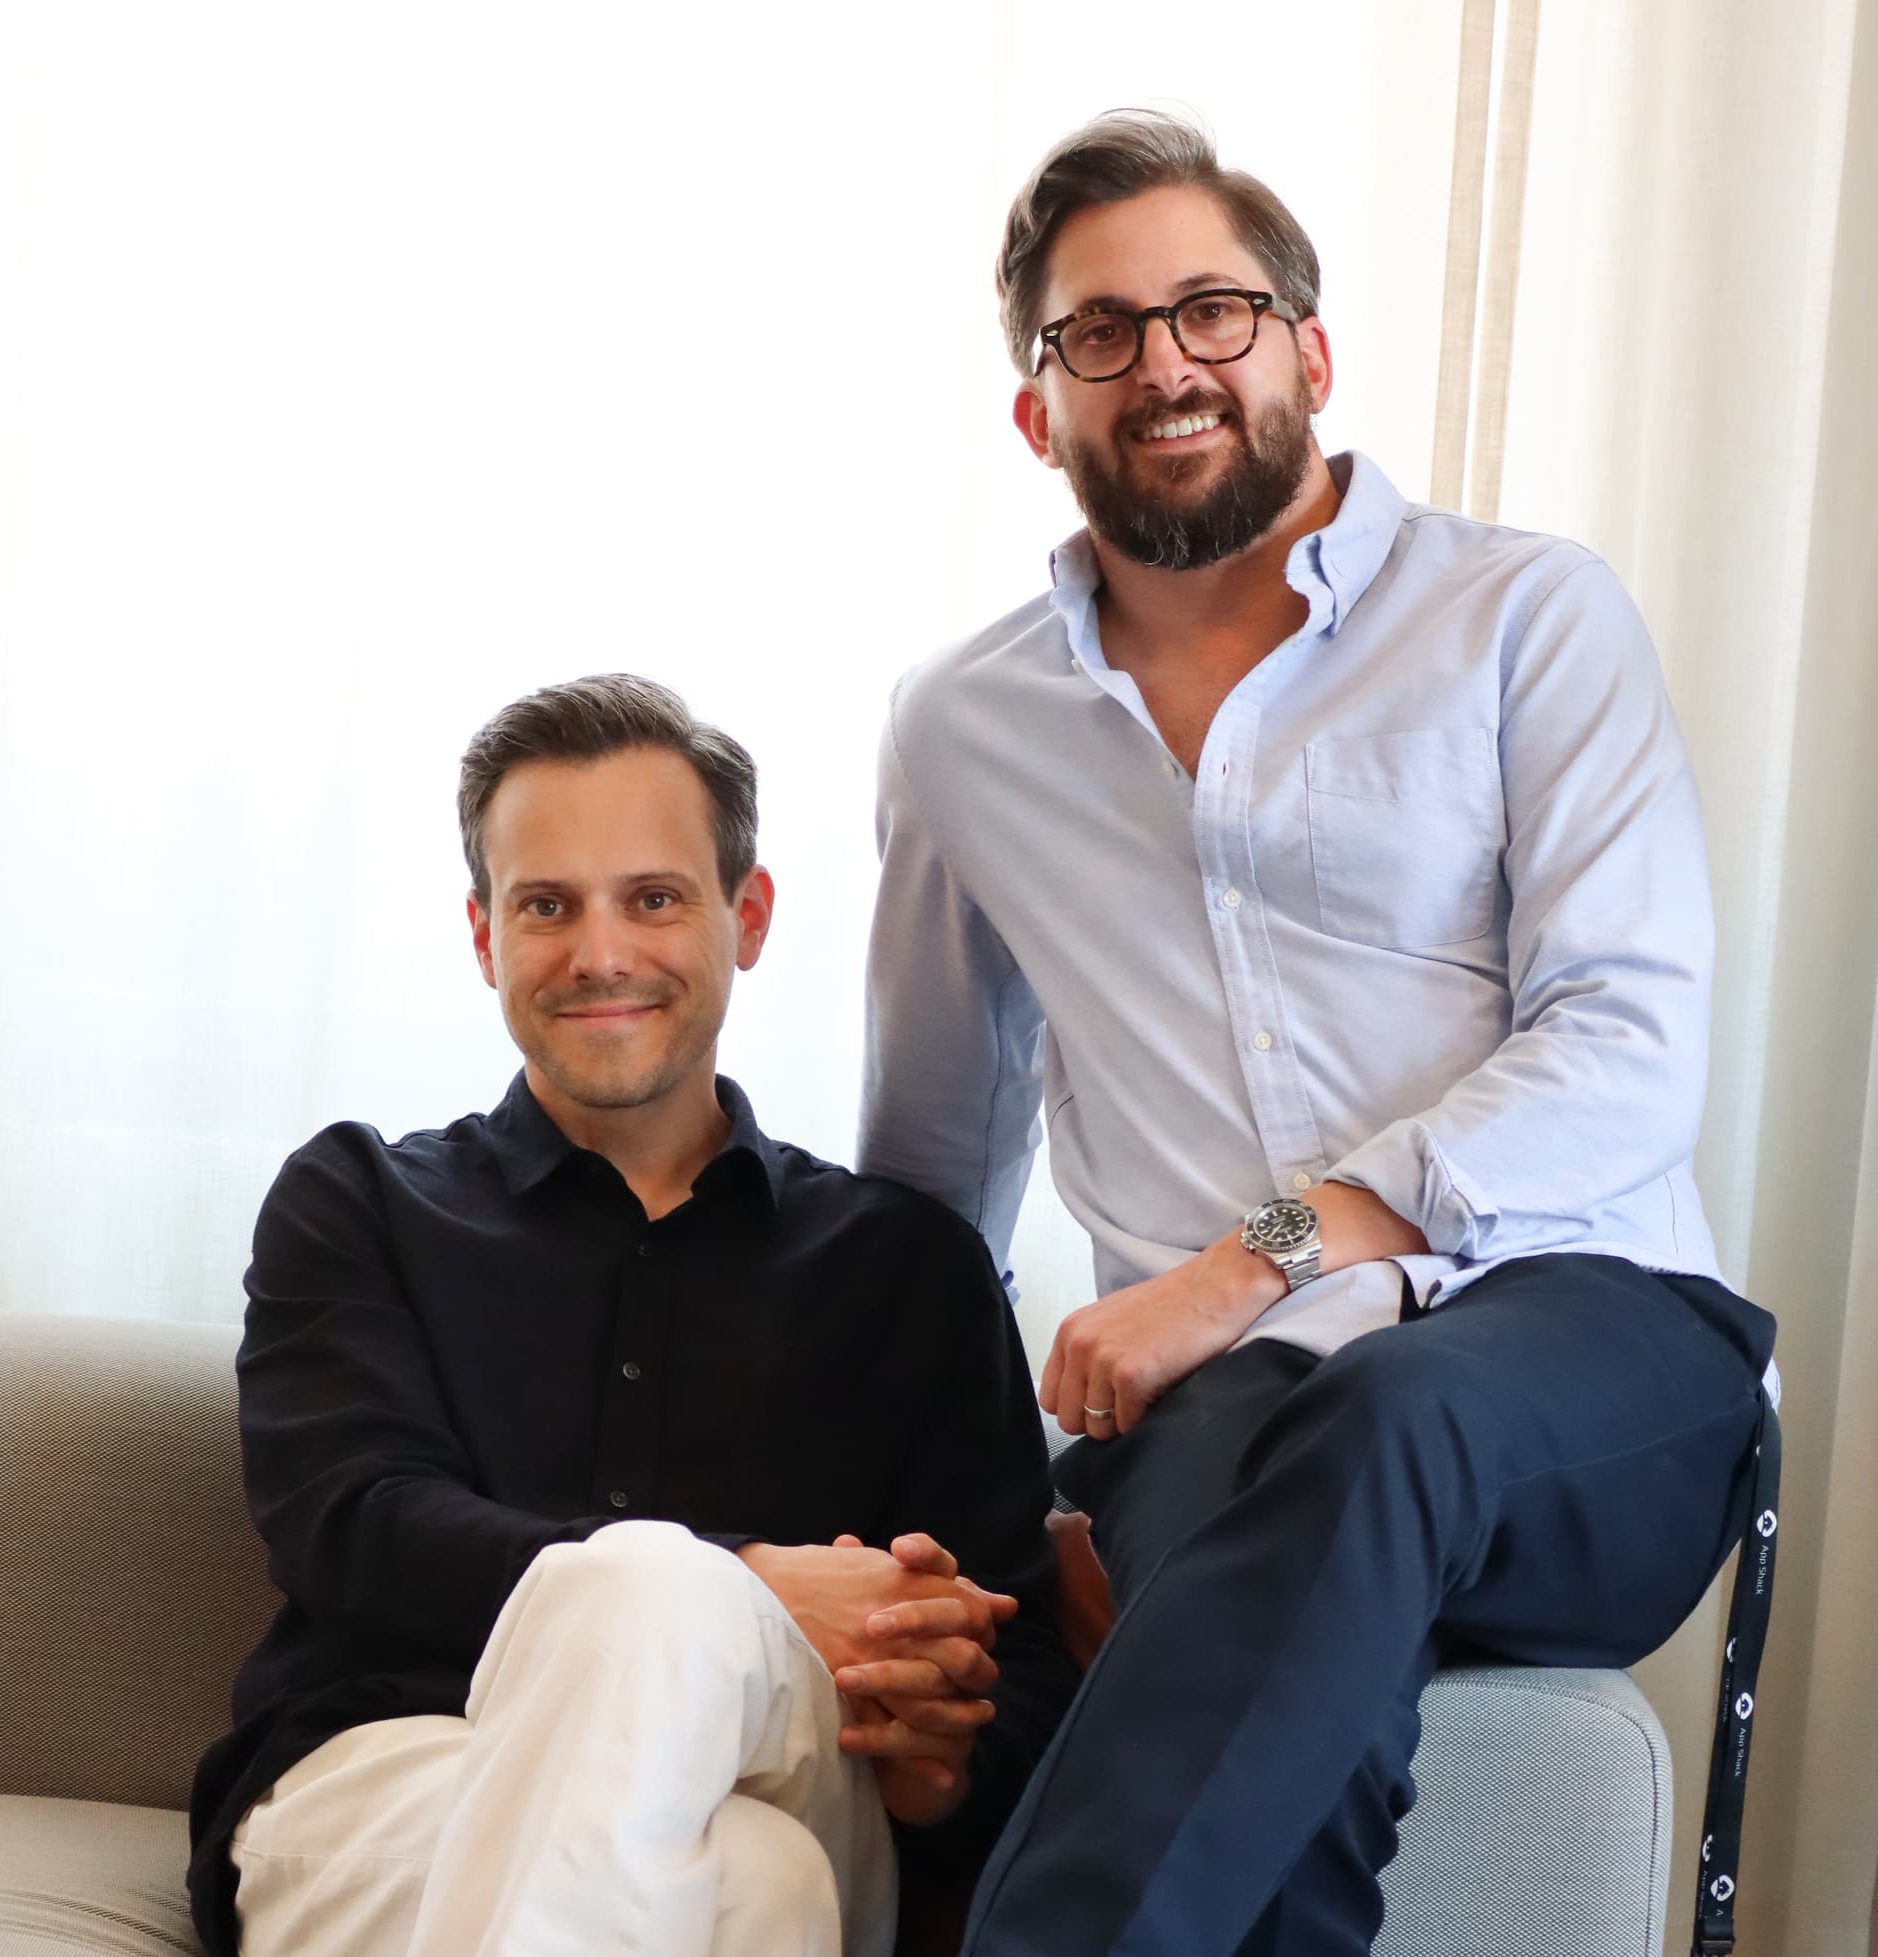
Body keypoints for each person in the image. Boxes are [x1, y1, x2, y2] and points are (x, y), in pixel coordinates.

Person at [858, 108, 1779, 1955]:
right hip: (1228, 1417)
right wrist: (979, 1511)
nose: (1165, 362)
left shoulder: (1527, 620)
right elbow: (931, 1178)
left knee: (1381, 1420)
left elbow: (1624, 1045)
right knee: (1271, 1616)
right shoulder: (964, 731)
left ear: (1306, 349)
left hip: (1584, 1346)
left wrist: (1247, 1262)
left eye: (1213, 308)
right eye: (1096, 332)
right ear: (1035, 411)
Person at [186, 675, 1075, 1957]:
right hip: (384, 1782)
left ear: (745, 915)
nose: (600, 952)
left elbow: (1019, 1665)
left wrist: (940, 1758)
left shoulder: (908, 1267)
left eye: (652, 898)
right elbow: (356, 1530)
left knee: (683, 1658)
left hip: (790, 1773)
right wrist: (747, 1585)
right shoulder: (359, 1200)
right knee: (754, 1877)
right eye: (547, 906)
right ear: (485, 936)